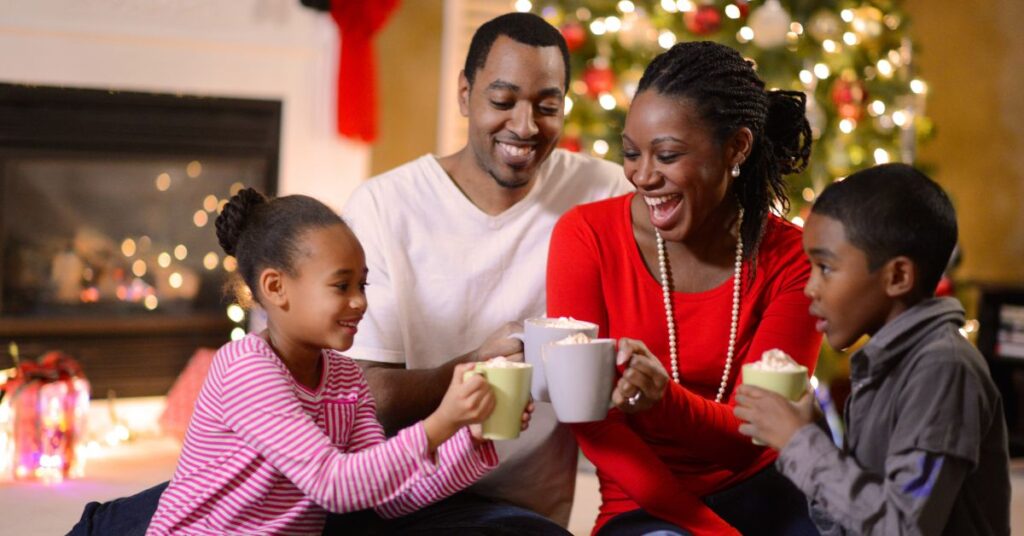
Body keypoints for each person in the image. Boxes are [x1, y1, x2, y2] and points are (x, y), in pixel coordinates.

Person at [341, 11, 630, 534]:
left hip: (521, 510)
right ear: (464, 95)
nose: (524, 127)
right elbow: (365, 399)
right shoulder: (384, 207)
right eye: (502, 102)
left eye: (547, 107)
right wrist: (472, 363)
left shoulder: (604, 194)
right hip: (396, 493)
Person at [547, 41, 823, 535]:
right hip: (643, 503)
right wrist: (705, 527)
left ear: (737, 147)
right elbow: (588, 418)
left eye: (668, 155)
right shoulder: (585, 236)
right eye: (631, 154)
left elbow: (758, 432)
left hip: (765, 491)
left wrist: (663, 398)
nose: (643, 175)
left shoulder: (793, 260)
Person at [145, 187, 535, 534]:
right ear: (276, 287)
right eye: (341, 285)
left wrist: (469, 434)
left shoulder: (345, 377)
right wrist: (440, 423)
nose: (360, 301)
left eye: (362, 285)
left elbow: (387, 497)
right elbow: (332, 484)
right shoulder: (246, 367)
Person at [734, 164, 1011, 535]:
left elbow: (903, 527)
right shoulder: (884, 366)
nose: (809, 288)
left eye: (825, 268)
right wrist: (813, 437)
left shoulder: (943, 368)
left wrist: (800, 444)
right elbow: (851, 520)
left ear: (897, 277)